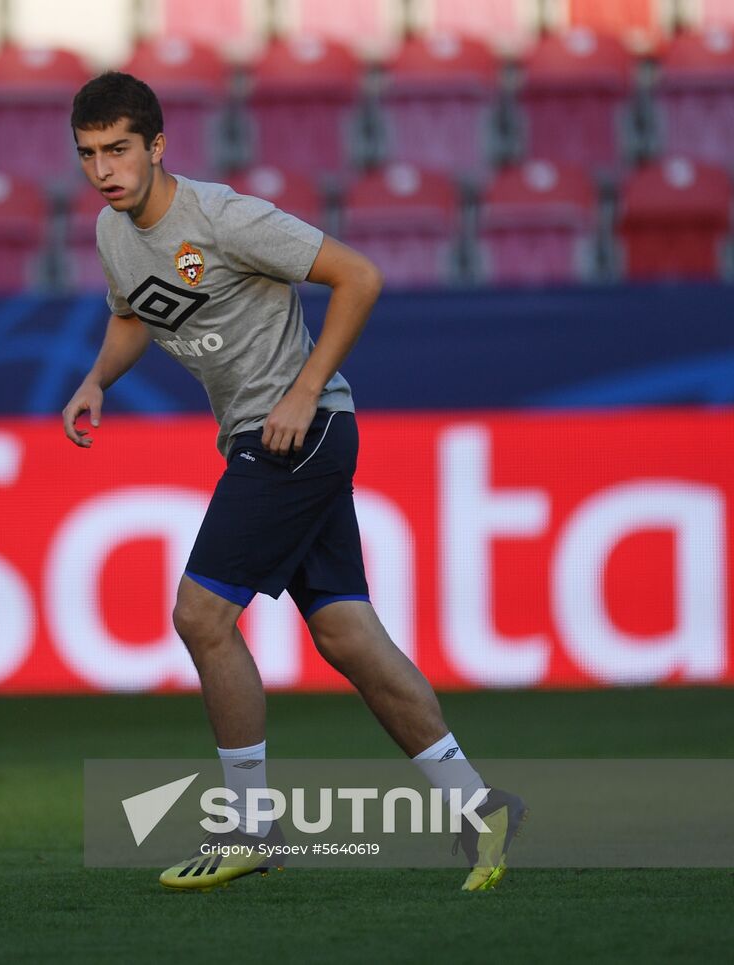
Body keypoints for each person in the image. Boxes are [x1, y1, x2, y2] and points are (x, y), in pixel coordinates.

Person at [61, 72, 526, 892]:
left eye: (119, 149)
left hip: (297, 434)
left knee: (201, 614)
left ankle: (252, 827)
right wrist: (98, 378)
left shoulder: (227, 218)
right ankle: (480, 805)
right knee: (348, 634)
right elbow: (135, 309)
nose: (104, 169)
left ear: (158, 146)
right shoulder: (113, 233)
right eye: (90, 154)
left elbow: (360, 276)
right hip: (265, 436)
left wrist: (304, 389)